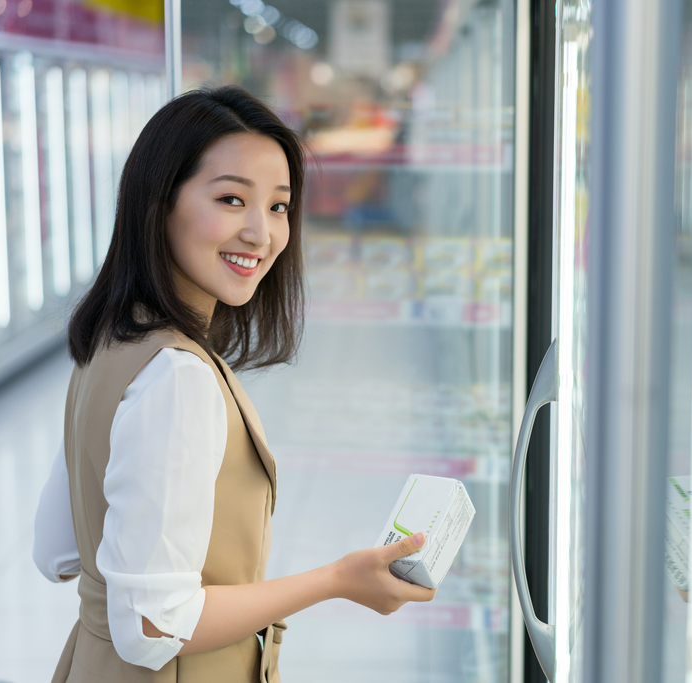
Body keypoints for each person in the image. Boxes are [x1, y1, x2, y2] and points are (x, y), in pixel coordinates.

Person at [32, 86, 436, 683]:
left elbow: (58, 552)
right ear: (159, 203)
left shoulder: (112, 340)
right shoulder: (177, 377)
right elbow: (151, 628)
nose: (261, 233)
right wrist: (336, 580)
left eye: (278, 207)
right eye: (231, 199)